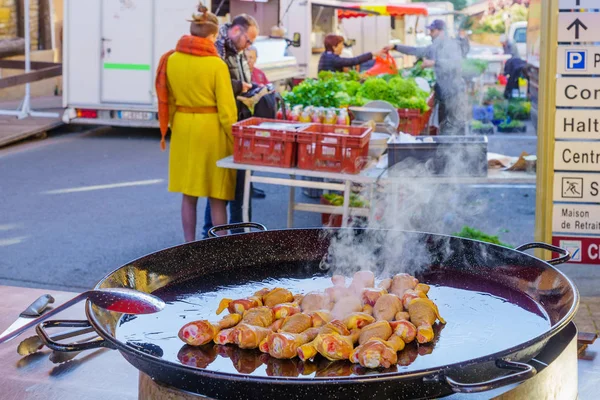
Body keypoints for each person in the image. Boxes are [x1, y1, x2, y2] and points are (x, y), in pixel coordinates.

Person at [156, 4, 237, 241]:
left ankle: (188, 245)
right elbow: (227, 111)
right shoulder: (216, 65)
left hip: (183, 128)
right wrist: (235, 138)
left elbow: (167, 99)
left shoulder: (171, 60)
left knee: (189, 195)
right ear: (212, 36)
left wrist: (174, 125)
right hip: (211, 131)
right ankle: (220, 247)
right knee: (217, 196)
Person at [202, 14, 261, 238]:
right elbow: (216, 84)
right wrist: (240, 86)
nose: (250, 46)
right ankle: (211, 238)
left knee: (235, 186)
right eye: (249, 40)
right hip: (224, 126)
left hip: (236, 122)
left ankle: (234, 235)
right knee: (221, 188)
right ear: (237, 31)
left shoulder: (236, 51)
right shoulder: (218, 49)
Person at [386, 19, 467, 135]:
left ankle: (460, 151)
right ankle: (446, 151)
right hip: (443, 92)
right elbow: (416, 51)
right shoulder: (433, 47)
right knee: (444, 126)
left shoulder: (451, 45)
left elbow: (455, 63)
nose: (430, 33)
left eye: (432, 31)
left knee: (456, 127)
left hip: (455, 92)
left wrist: (434, 63)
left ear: (442, 32)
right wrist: (395, 47)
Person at [318, 34, 384, 73]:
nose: (343, 47)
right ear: (334, 47)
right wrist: (372, 54)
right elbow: (353, 61)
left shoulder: (325, 55)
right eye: (341, 44)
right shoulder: (333, 59)